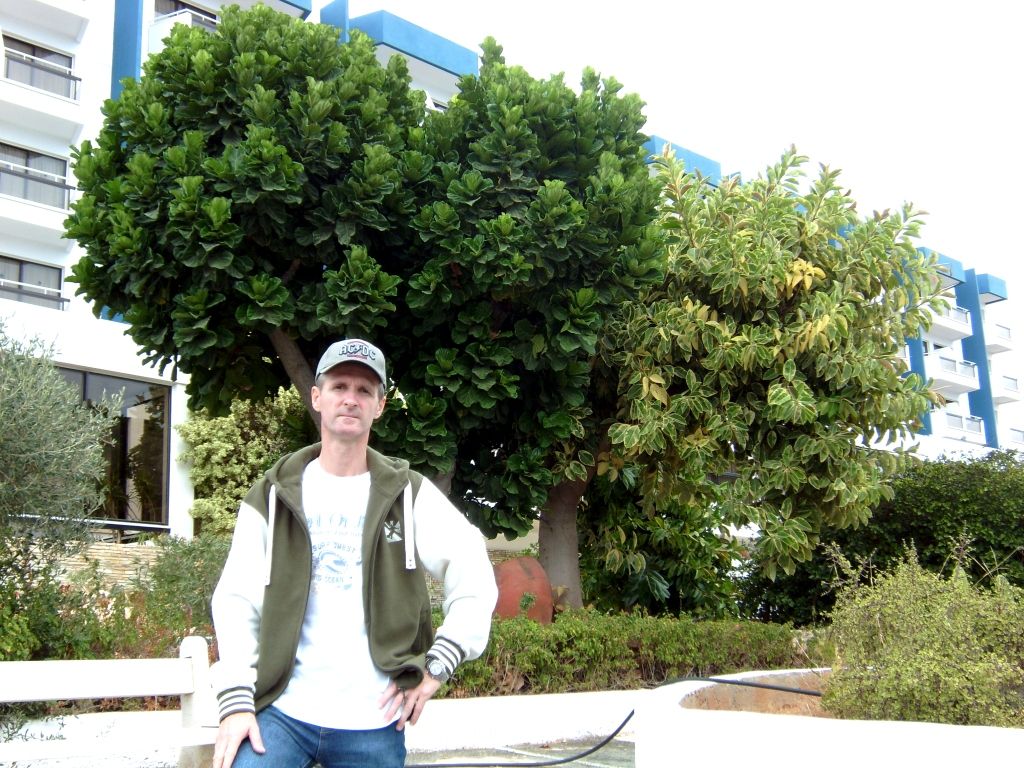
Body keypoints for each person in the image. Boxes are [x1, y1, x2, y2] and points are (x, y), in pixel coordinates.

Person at [210, 338, 498, 768]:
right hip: (283, 712)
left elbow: (471, 564)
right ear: (317, 397)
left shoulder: (408, 493)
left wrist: (439, 664)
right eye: (339, 386)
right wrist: (236, 704)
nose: (351, 399)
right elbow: (236, 600)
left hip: (373, 720)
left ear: (379, 406)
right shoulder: (272, 493)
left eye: (364, 390)